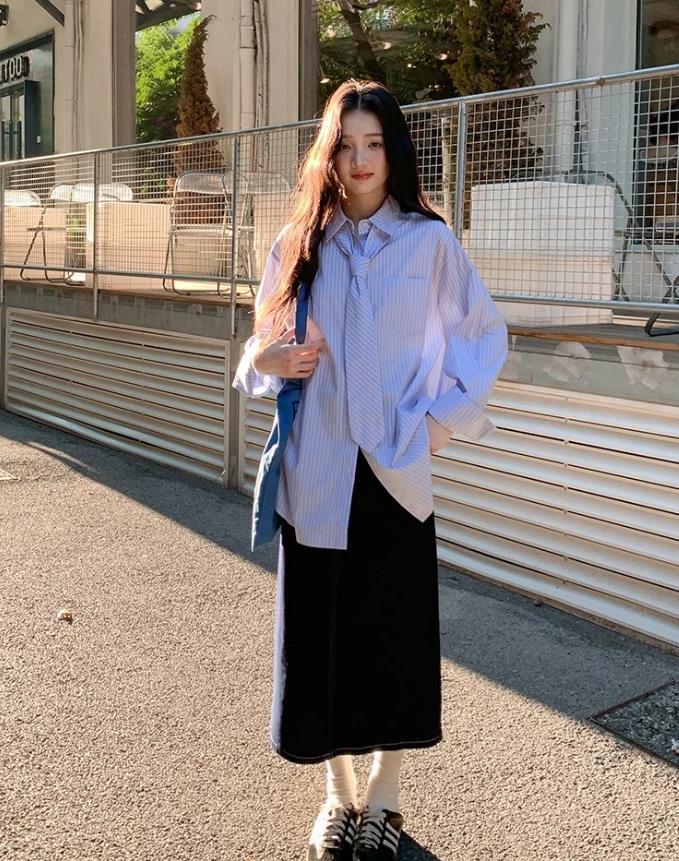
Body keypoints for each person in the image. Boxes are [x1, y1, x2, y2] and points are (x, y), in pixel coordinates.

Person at [232, 78, 508, 861]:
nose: (359, 160)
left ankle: (385, 795)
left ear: (394, 151)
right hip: (316, 471)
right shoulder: (299, 244)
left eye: (374, 143)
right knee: (319, 640)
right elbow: (256, 351)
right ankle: (337, 794)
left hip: (392, 473)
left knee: (392, 639)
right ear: (328, 153)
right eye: (345, 144)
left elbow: (482, 334)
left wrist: (439, 423)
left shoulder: (428, 242)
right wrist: (267, 360)